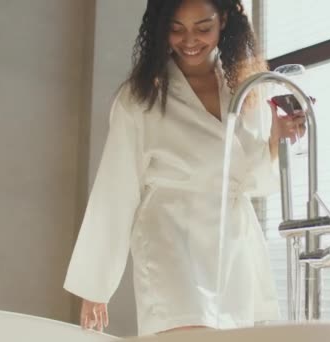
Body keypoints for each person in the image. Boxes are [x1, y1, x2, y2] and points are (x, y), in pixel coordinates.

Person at [64, 0, 306, 336]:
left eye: (203, 28)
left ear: (223, 20)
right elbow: (115, 190)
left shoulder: (246, 91)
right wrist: (96, 286)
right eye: (176, 28)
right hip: (169, 238)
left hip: (232, 245)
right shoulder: (139, 98)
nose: (189, 40)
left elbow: (254, 182)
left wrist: (275, 139)